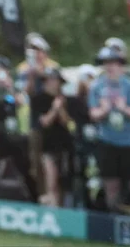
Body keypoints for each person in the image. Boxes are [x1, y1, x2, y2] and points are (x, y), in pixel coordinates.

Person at [89, 47, 130, 211]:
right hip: (107, 141)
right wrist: (105, 110)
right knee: (110, 183)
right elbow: (93, 114)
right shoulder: (97, 86)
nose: (110, 67)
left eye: (113, 63)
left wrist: (123, 108)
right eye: (106, 63)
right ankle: (113, 217)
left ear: (121, 66)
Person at [31, 67, 76, 206]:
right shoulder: (38, 99)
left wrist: (60, 107)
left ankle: (62, 207)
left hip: (64, 143)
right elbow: (45, 122)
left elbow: (67, 122)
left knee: (63, 180)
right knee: (50, 179)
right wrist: (54, 108)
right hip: (46, 143)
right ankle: (52, 207)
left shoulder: (66, 100)